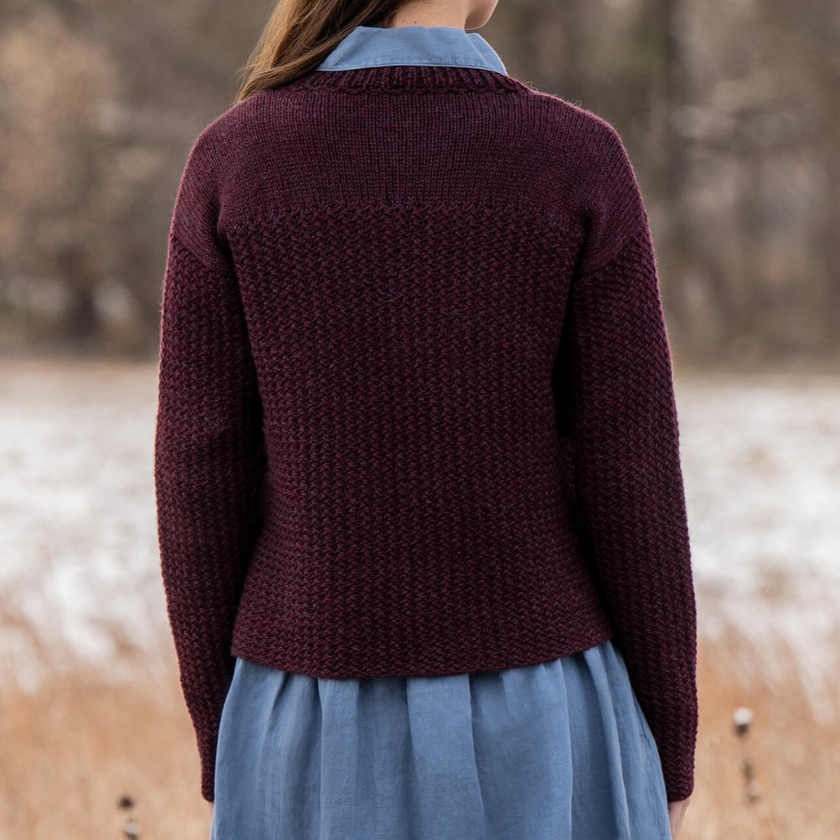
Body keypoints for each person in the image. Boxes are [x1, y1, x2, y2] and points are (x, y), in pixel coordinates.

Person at [153, 1, 699, 838]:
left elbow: (200, 464)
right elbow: (631, 469)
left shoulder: (237, 158)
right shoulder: (571, 157)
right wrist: (669, 735)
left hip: (306, 717)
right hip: (543, 716)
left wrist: (220, 725)